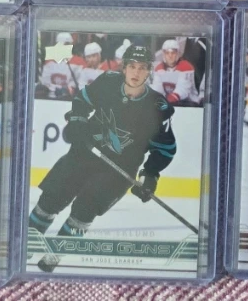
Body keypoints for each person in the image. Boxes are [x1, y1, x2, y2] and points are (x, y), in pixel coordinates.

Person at [28, 45, 177, 271]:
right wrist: (77, 120)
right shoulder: (107, 82)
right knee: (52, 197)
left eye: (142, 68)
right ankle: (26, 244)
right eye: (132, 66)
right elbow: (82, 101)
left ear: (149, 71)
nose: (136, 73)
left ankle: (55, 255)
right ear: (124, 68)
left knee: (85, 208)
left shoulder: (158, 106)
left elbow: (164, 148)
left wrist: (150, 175)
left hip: (119, 168)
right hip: (86, 152)